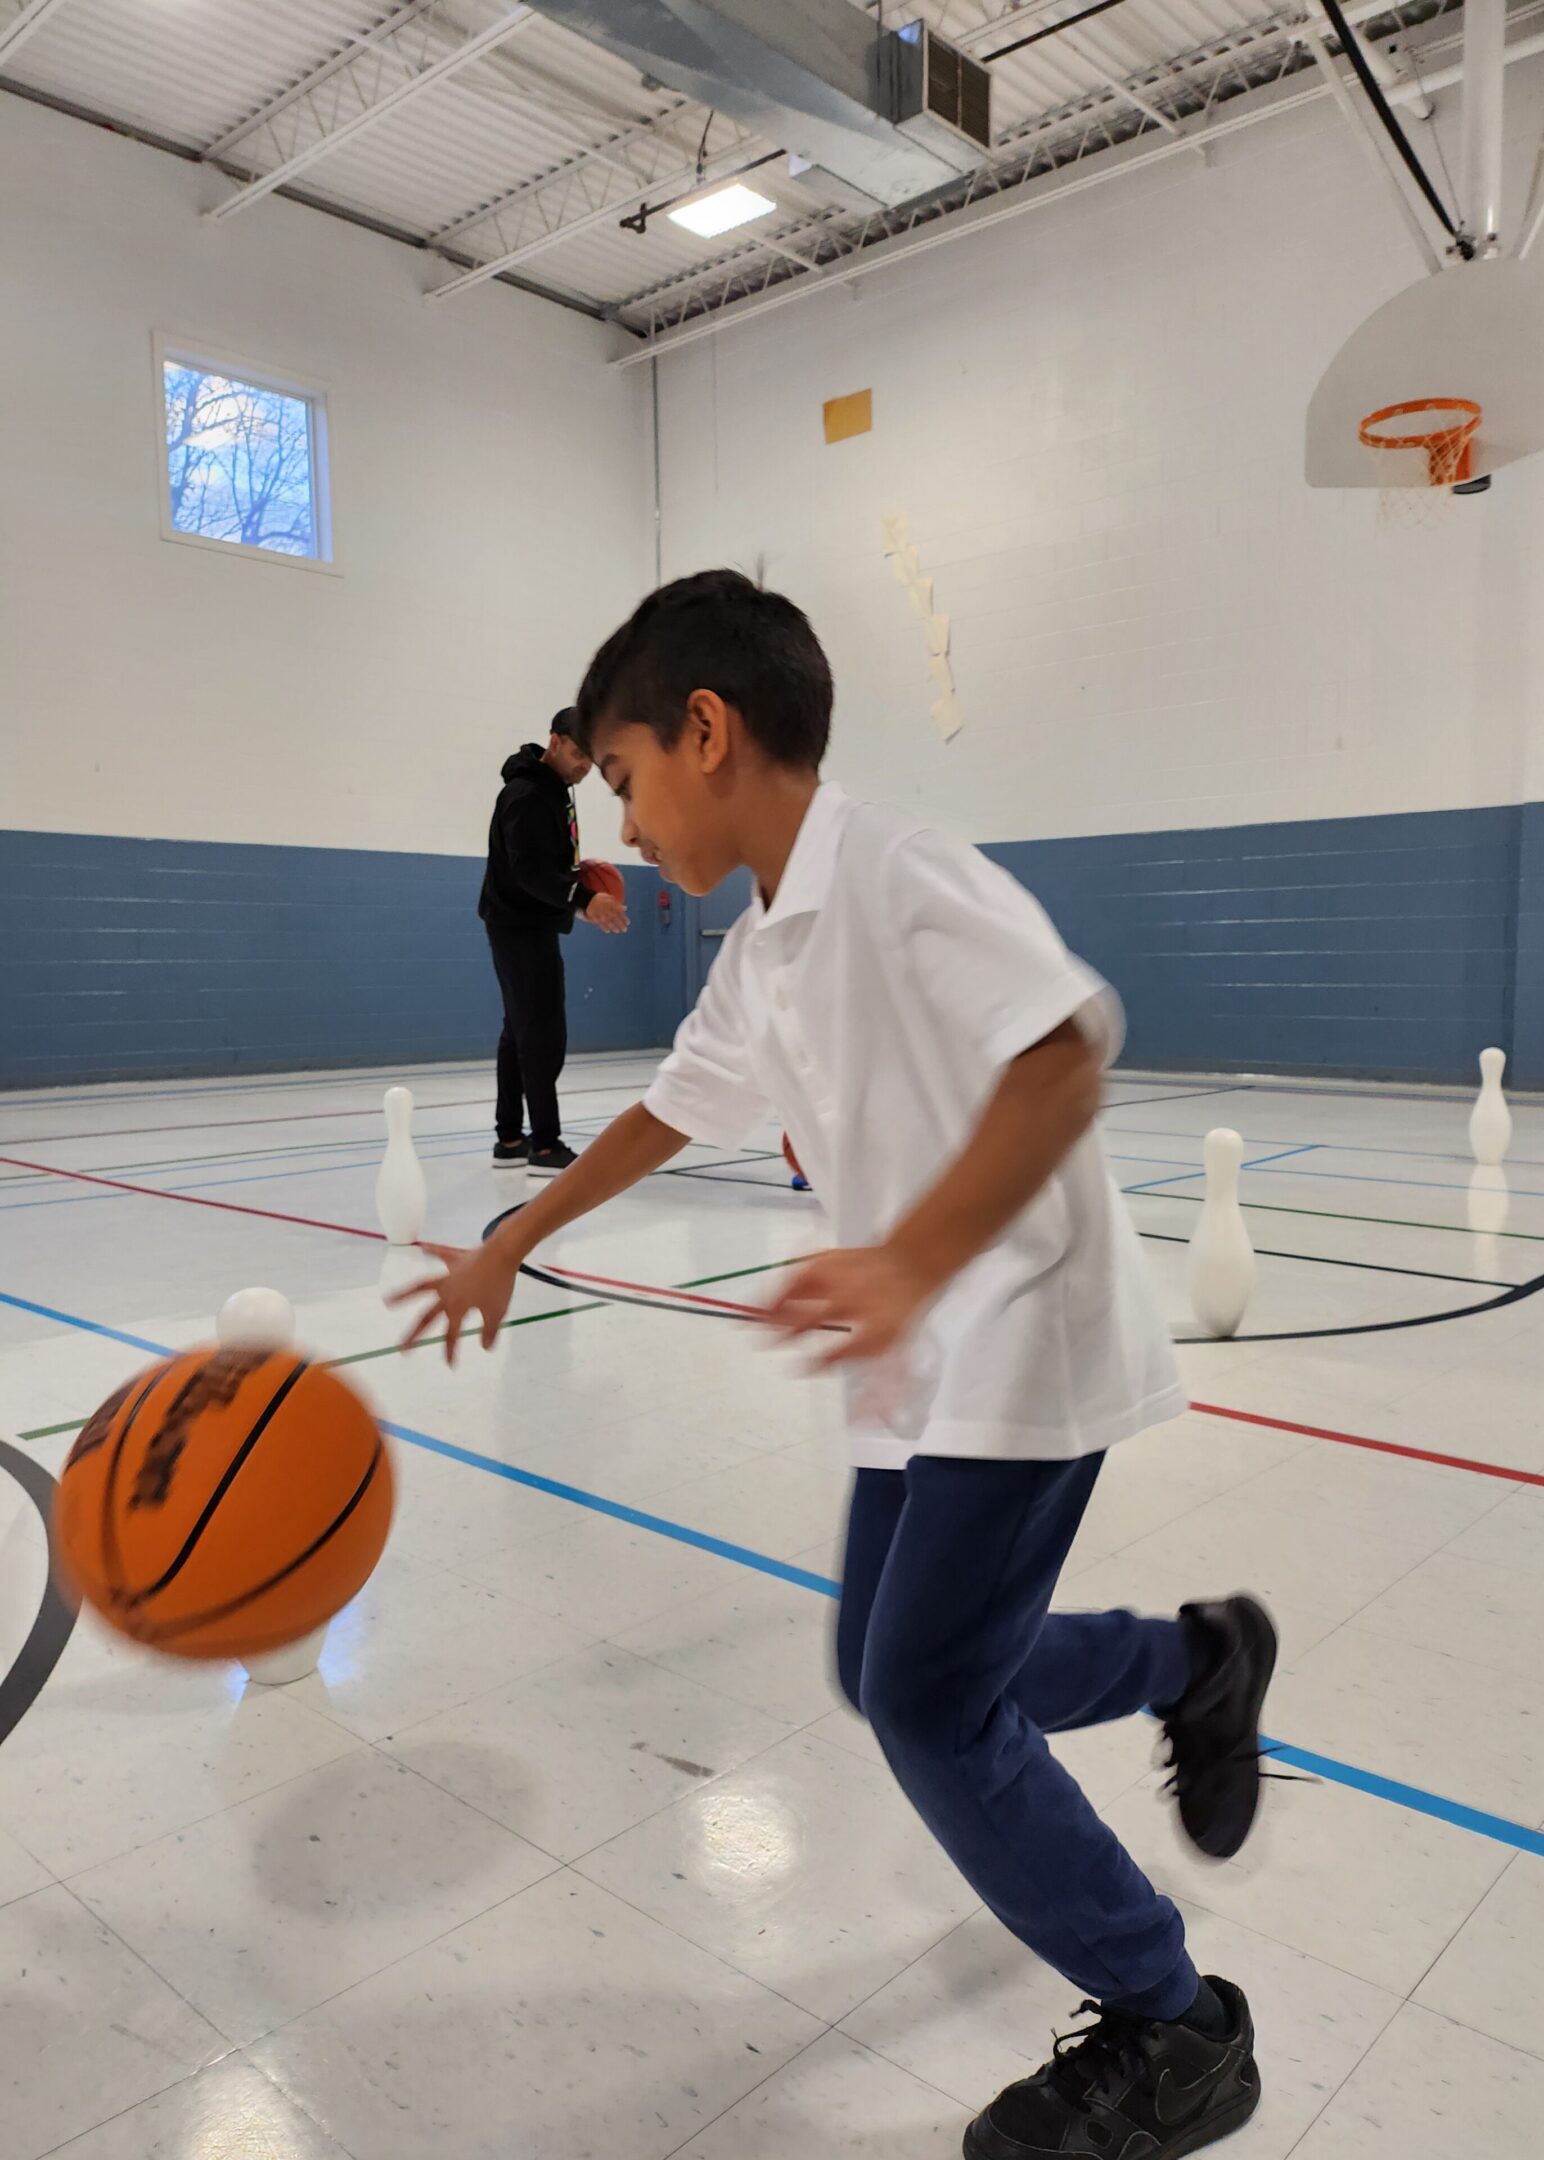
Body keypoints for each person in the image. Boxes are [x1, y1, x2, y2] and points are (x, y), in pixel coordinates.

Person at [399, 572, 1275, 2160]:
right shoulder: (765, 949)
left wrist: (913, 1259)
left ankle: (1178, 2026)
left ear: (707, 734)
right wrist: (516, 1239)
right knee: (892, 1662)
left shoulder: (897, 871)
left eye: (623, 781)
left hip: (1019, 1332)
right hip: (920, 1355)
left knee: (930, 1701)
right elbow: (671, 1110)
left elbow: (1065, 1052)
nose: (625, 825)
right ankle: (1194, 1662)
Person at [478, 709, 628, 1175]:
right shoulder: (526, 795)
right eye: (580, 755)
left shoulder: (551, 789)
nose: (585, 767)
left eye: (592, 761)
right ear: (556, 742)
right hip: (519, 925)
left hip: (524, 922)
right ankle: (545, 1145)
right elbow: (528, 873)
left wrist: (573, 876)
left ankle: (509, 1137)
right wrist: (584, 898)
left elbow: (542, 864)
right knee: (542, 1032)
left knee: (519, 1030)